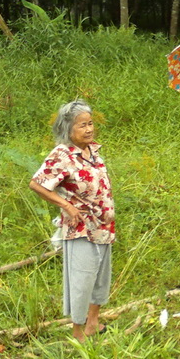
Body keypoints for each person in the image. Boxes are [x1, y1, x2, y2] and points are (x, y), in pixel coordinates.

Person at [29, 100, 115, 342]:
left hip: (104, 224)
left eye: (90, 124)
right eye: (81, 125)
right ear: (68, 128)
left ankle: (94, 323)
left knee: (100, 276)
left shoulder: (92, 151)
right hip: (80, 227)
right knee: (81, 278)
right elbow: (37, 183)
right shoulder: (62, 154)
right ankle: (78, 332)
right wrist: (66, 205)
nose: (88, 129)